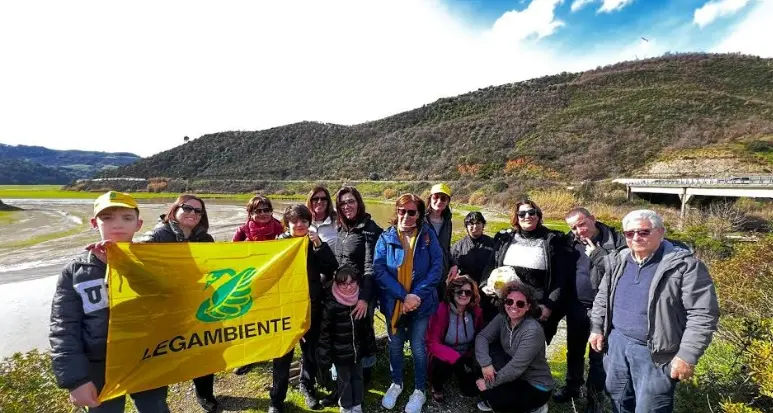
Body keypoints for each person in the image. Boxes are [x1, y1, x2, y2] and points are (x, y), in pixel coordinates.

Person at [50, 191, 170, 413]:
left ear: (139, 224)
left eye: (127, 218)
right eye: (107, 218)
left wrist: (126, 268)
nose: (118, 225)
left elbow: (170, 300)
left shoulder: (153, 262)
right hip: (98, 365)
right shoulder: (76, 271)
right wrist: (76, 380)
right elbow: (63, 327)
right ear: (94, 223)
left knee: (155, 408)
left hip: (145, 357)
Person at [589, 210, 719, 413]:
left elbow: (702, 315)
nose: (635, 238)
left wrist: (687, 355)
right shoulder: (619, 260)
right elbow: (603, 297)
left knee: (650, 408)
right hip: (617, 344)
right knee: (618, 398)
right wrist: (597, 327)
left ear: (660, 232)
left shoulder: (685, 266)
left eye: (643, 232)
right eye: (629, 233)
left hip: (655, 353)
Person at [138, 194, 217, 413]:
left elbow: (213, 267)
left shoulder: (206, 239)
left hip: (199, 300)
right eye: (187, 208)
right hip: (167, 303)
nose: (193, 213)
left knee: (203, 347)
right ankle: (156, 401)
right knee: (166, 349)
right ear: (175, 209)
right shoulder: (159, 235)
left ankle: (205, 393)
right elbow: (138, 257)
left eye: (198, 211)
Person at [374, 193, 443, 413]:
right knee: (395, 345)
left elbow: (437, 268)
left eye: (411, 212)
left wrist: (416, 296)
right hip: (394, 304)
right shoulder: (386, 238)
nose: (406, 216)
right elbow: (379, 270)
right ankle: (397, 383)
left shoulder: (428, 237)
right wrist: (404, 296)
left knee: (417, 347)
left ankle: (420, 390)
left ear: (420, 214)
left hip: (421, 305)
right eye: (402, 211)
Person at [554, 207, 626, 412]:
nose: (578, 230)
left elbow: (620, 270)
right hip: (576, 306)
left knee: (598, 356)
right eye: (573, 227)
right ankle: (572, 387)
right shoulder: (570, 242)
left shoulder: (615, 241)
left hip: (602, 308)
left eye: (582, 224)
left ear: (593, 219)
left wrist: (597, 254)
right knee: (574, 351)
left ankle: (594, 400)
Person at [270, 204, 338, 413]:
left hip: (312, 306)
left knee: (310, 353)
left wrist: (317, 243)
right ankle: (276, 399)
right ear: (287, 224)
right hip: (286, 309)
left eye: (304, 221)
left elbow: (331, 267)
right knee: (283, 356)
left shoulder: (314, 243)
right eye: (295, 221)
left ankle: (307, 387)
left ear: (310, 223)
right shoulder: (278, 245)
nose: (300, 225)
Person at [480, 199, 571, 342]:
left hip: (535, 308)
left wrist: (549, 305)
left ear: (538, 215)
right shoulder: (505, 239)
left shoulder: (552, 241)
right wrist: (485, 285)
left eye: (531, 212)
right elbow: (490, 266)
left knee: (530, 353)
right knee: (501, 348)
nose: (527, 216)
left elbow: (560, 278)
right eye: (521, 214)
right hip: (506, 306)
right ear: (516, 218)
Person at [474, 281, 553, 412]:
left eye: (520, 303)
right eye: (509, 301)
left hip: (535, 384)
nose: (513, 306)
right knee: (481, 361)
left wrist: (488, 383)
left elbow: (516, 368)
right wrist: (485, 364)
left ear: (528, 306)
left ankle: (535, 407)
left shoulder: (532, 330)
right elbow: (482, 337)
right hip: (515, 375)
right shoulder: (503, 318)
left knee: (496, 398)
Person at [332, 186, 383, 390]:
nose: (347, 206)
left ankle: (365, 376)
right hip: (341, 292)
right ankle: (343, 377)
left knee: (364, 334)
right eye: (343, 203)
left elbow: (371, 266)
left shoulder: (369, 228)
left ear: (359, 203)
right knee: (343, 335)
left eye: (351, 201)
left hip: (362, 292)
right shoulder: (341, 228)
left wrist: (364, 298)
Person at [231, 195, 284, 376]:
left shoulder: (281, 229)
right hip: (251, 283)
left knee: (275, 319)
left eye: (266, 210)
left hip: (277, 282)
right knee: (250, 321)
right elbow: (230, 255)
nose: (263, 214)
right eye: (258, 211)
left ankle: (278, 352)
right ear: (250, 213)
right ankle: (250, 358)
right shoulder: (243, 231)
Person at [317, 265, 377, 413]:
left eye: (352, 283)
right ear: (337, 284)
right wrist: (325, 356)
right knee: (343, 380)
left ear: (357, 282)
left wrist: (369, 348)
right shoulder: (331, 304)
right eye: (344, 284)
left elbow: (367, 328)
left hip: (358, 350)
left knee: (358, 377)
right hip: (340, 354)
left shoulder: (361, 301)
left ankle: (357, 404)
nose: (349, 287)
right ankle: (345, 405)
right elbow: (325, 333)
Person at [426, 274, 485, 403]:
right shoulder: (441, 310)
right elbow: (432, 343)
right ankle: (437, 387)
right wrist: (454, 357)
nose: (463, 295)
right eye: (459, 291)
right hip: (445, 354)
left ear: (472, 294)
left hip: (466, 355)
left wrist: (475, 356)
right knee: (441, 367)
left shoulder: (476, 312)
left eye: (468, 292)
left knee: (471, 391)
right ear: (452, 292)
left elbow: (481, 336)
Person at [449, 211, 495, 285]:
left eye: (478, 223)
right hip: (466, 290)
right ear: (466, 226)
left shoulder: (493, 244)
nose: (475, 226)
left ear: (483, 225)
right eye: (471, 224)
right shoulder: (457, 247)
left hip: (487, 286)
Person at [425, 183, 452, 297]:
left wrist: (453, 264)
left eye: (443, 198)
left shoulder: (447, 222)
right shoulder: (420, 220)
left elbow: (446, 248)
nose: (439, 201)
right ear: (430, 198)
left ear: (447, 202)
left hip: (441, 273)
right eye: (436, 197)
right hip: (423, 273)